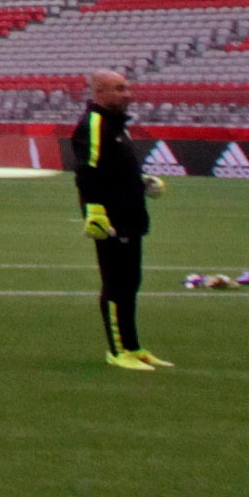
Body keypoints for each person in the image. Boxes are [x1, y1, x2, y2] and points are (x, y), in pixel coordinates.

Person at [75, 68, 162, 372]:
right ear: (99, 93)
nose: (128, 94)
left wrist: (143, 184)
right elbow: (88, 171)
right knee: (116, 285)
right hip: (111, 220)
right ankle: (117, 350)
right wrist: (94, 211)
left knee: (130, 283)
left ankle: (133, 347)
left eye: (127, 87)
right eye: (118, 88)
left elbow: (115, 171)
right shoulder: (95, 124)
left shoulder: (116, 126)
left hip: (130, 214)